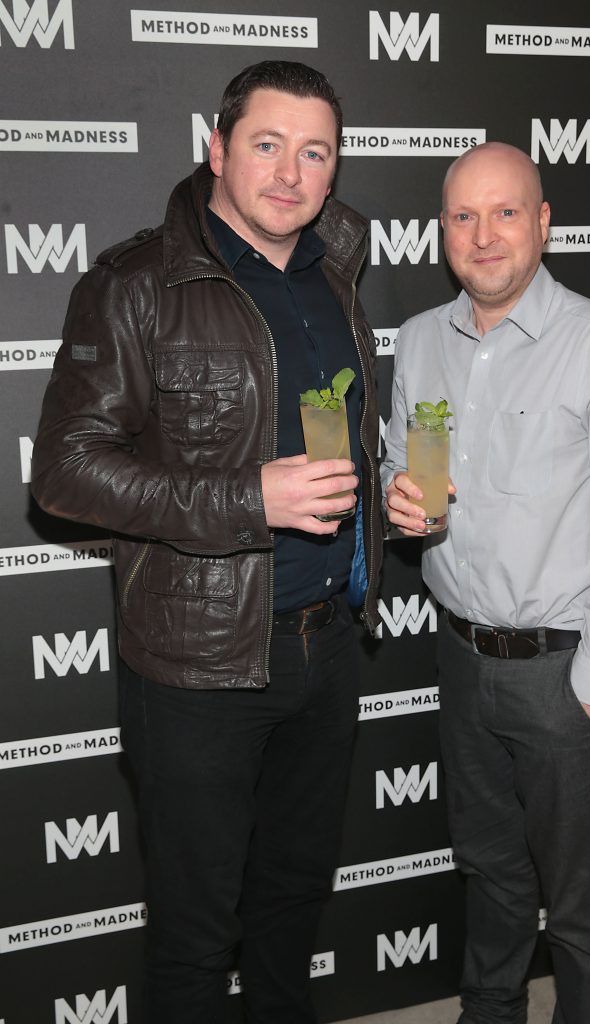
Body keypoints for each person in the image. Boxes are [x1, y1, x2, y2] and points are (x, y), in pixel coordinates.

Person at [32, 60, 382, 1024]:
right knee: (194, 938)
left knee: (291, 905)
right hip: (197, 669)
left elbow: (333, 438)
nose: (290, 173)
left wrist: (382, 506)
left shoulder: (335, 271)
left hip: (327, 645)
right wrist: (245, 497)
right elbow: (62, 473)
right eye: (266, 145)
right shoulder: (135, 281)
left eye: (315, 153)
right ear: (218, 148)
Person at [382, 142, 590, 1024]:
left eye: (506, 211)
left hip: (562, 671)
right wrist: (408, 504)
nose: (484, 234)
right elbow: (413, 471)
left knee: (579, 907)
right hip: (463, 658)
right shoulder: (422, 342)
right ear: (442, 233)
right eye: (464, 216)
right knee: (491, 871)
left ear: (543, 223)